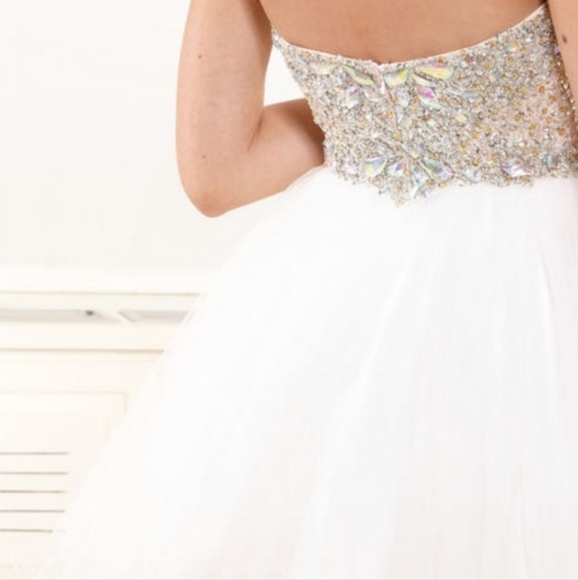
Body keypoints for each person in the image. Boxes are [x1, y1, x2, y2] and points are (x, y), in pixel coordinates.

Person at [28, 0, 578, 578]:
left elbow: (219, 173)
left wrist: (378, 114)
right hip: (526, 278)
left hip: (345, 275)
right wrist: (466, 109)